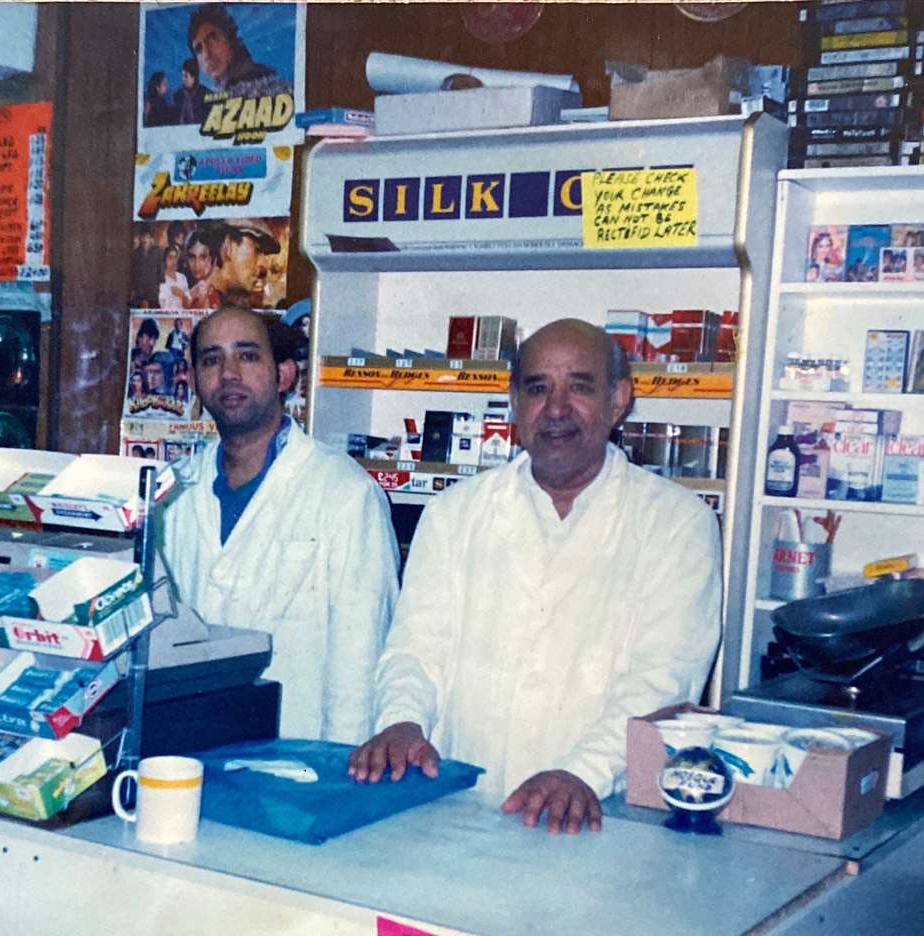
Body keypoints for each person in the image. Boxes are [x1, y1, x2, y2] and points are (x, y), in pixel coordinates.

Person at [347, 319, 724, 835]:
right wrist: (401, 720)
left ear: (619, 399)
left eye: (580, 386)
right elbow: (417, 646)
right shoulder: (456, 512)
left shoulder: (678, 523)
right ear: (514, 401)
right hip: (456, 809)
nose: (557, 408)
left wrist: (582, 773)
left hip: (598, 814)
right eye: (539, 388)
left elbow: (663, 678)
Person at [159, 307, 400, 743]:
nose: (229, 373)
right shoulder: (173, 490)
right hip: (187, 747)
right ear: (195, 380)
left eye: (247, 356)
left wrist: (337, 774)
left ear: (284, 375)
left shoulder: (345, 493)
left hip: (297, 759)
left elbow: (361, 661)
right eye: (212, 360)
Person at [187, 4, 292, 99]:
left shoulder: (262, 81)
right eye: (198, 49)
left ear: (229, 39)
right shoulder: (215, 92)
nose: (206, 55)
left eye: (212, 39)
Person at [190, 219, 280, 308]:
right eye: (257, 251)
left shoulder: (219, 300)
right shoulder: (201, 302)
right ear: (228, 247)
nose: (264, 264)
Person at [175, 58, 208, 124]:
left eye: (186, 76)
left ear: (194, 77)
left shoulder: (205, 94)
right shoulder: (178, 95)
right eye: (182, 75)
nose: (183, 79)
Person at [158, 243, 190, 310]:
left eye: (175, 257)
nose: (174, 261)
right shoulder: (160, 279)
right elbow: (161, 305)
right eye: (170, 258)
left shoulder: (182, 277)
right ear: (165, 260)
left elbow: (189, 303)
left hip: (184, 317)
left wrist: (182, 294)